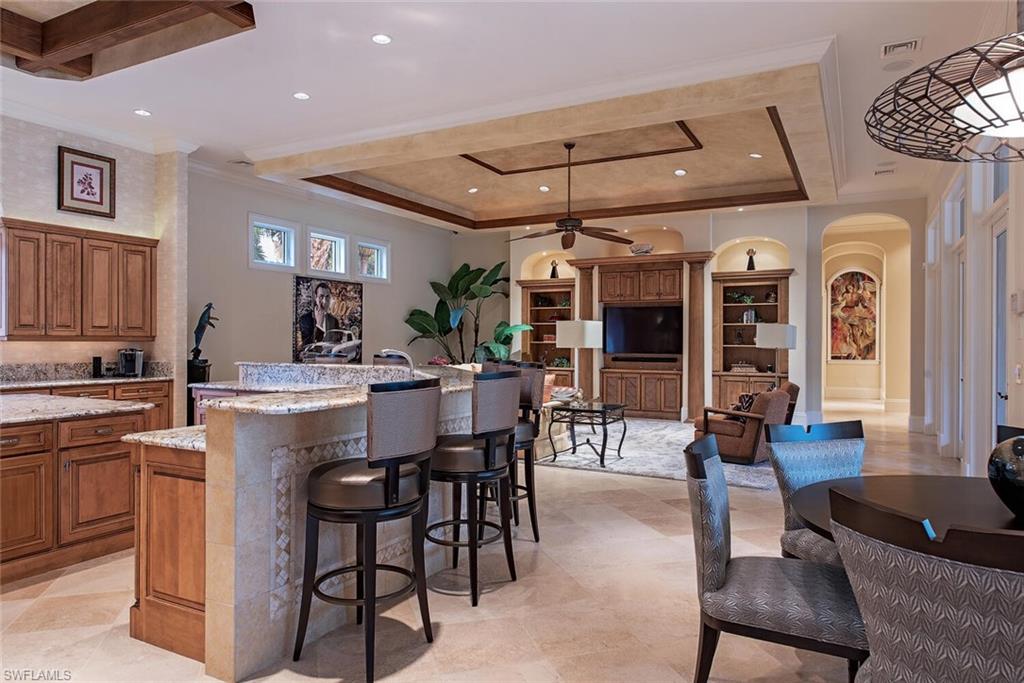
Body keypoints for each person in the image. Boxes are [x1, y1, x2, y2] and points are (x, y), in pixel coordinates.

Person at [299, 282, 340, 347]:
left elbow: (337, 344)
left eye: (327, 297)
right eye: (321, 296)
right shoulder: (305, 319)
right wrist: (319, 326)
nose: (324, 301)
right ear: (316, 297)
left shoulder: (334, 320)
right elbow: (306, 346)